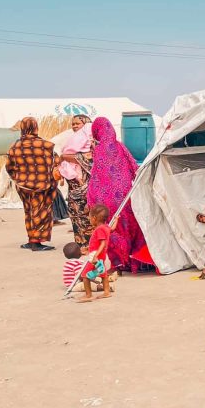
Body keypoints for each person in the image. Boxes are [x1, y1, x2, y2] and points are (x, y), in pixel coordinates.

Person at [87, 117, 146, 272]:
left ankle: (116, 262)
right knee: (126, 228)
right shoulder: (121, 147)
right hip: (125, 199)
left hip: (105, 202)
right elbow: (135, 167)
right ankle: (130, 260)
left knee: (110, 230)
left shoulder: (99, 151)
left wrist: (91, 199)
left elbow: (95, 178)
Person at [6, 117, 59, 251]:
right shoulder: (46, 145)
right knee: (41, 212)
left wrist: (19, 179)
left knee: (29, 212)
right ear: (36, 128)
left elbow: (9, 167)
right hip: (43, 186)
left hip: (23, 186)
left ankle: (31, 240)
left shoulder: (14, 147)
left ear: (22, 128)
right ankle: (36, 243)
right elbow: (56, 163)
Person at [60, 115, 94, 246]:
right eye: (72, 124)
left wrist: (65, 157)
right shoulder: (73, 140)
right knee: (75, 213)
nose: (74, 126)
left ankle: (90, 244)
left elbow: (87, 158)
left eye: (77, 124)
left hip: (85, 187)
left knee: (86, 213)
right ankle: (80, 243)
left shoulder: (91, 142)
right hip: (73, 187)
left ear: (85, 124)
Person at [79, 204, 114, 302]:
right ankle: (106, 292)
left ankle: (88, 294)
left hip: (96, 257)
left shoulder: (99, 229)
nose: (89, 220)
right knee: (103, 273)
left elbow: (102, 243)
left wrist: (95, 255)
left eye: (90, 218)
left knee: (85, 275)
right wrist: (116, 220)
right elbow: (112, 229)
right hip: (100, 256)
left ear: (94, 218)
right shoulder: (106, 227)